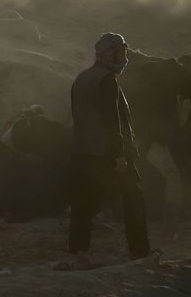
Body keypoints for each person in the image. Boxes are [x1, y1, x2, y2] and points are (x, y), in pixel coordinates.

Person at [67, 33, 151, 269]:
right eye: (121, 53)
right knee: (134, 198)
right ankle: (140, 252)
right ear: (108, 54)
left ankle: (79, 255)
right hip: (108, 154)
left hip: (83, 152)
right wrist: (119, 155)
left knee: (83, 204)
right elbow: (112, 120)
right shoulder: (107, 80)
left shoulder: (81, 78)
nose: (124, 58)